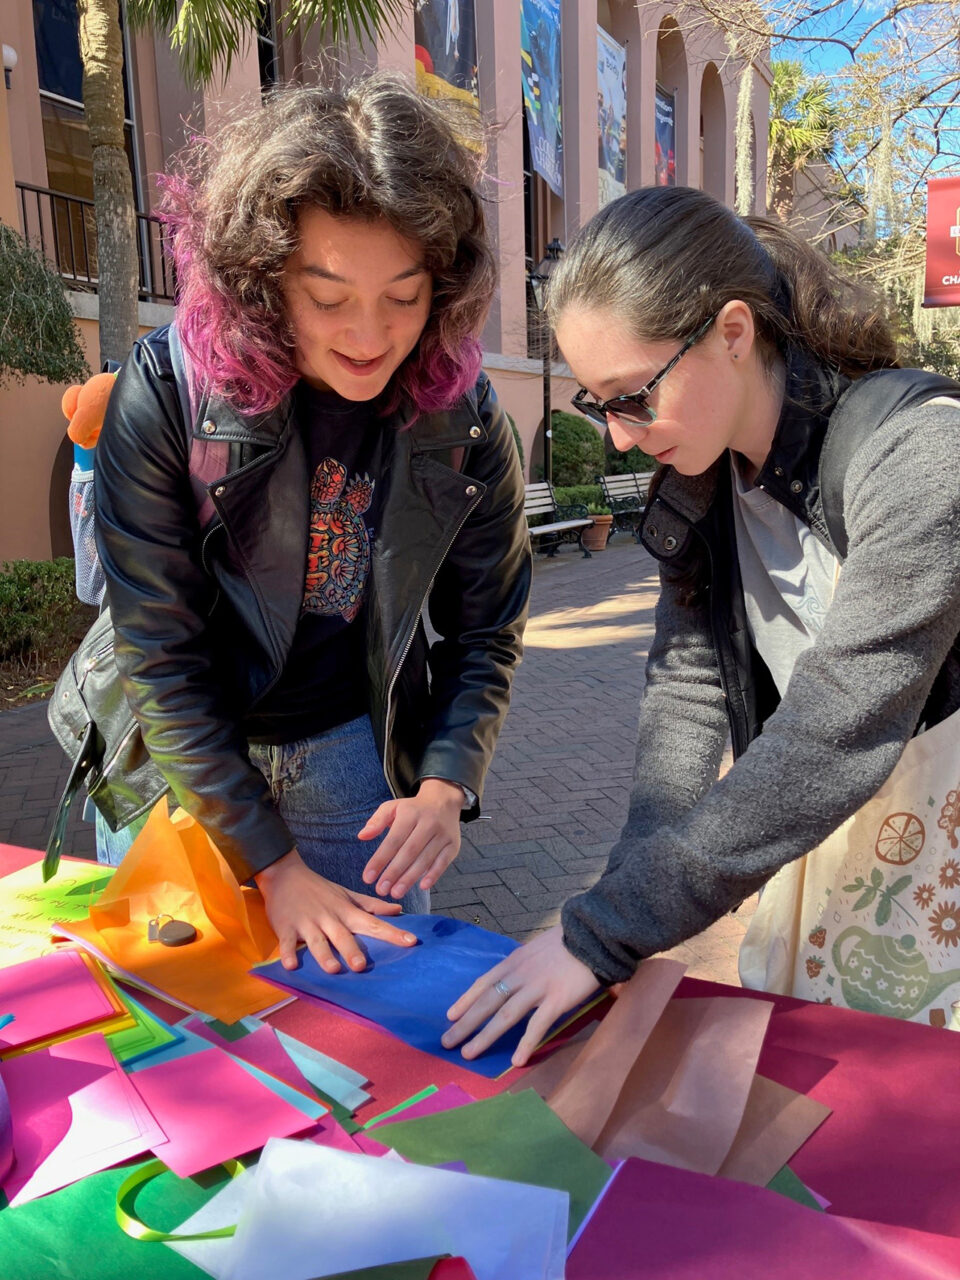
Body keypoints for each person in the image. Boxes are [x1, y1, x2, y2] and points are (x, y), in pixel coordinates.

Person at [443, 185, 960, 1065]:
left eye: (631, 397)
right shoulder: (704, 477)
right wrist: (615, 923)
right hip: (849, 844)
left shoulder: (920, 455)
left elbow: (836, 726)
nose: (614, 438)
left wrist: (605, 931)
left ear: (731, 332)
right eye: (595, 404)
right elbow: (684, 692)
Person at [94, 74, 530, 978]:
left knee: (371, 1040)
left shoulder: (465, 412)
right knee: (175, 1036)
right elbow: (159, 658)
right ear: (261, 281)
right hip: (176, 768)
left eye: (404, 296)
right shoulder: (169, 390)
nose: (371, 334)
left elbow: (487, 623)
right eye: (328, 298)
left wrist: (447, 782)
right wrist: (276, 868)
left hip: (349, 757)